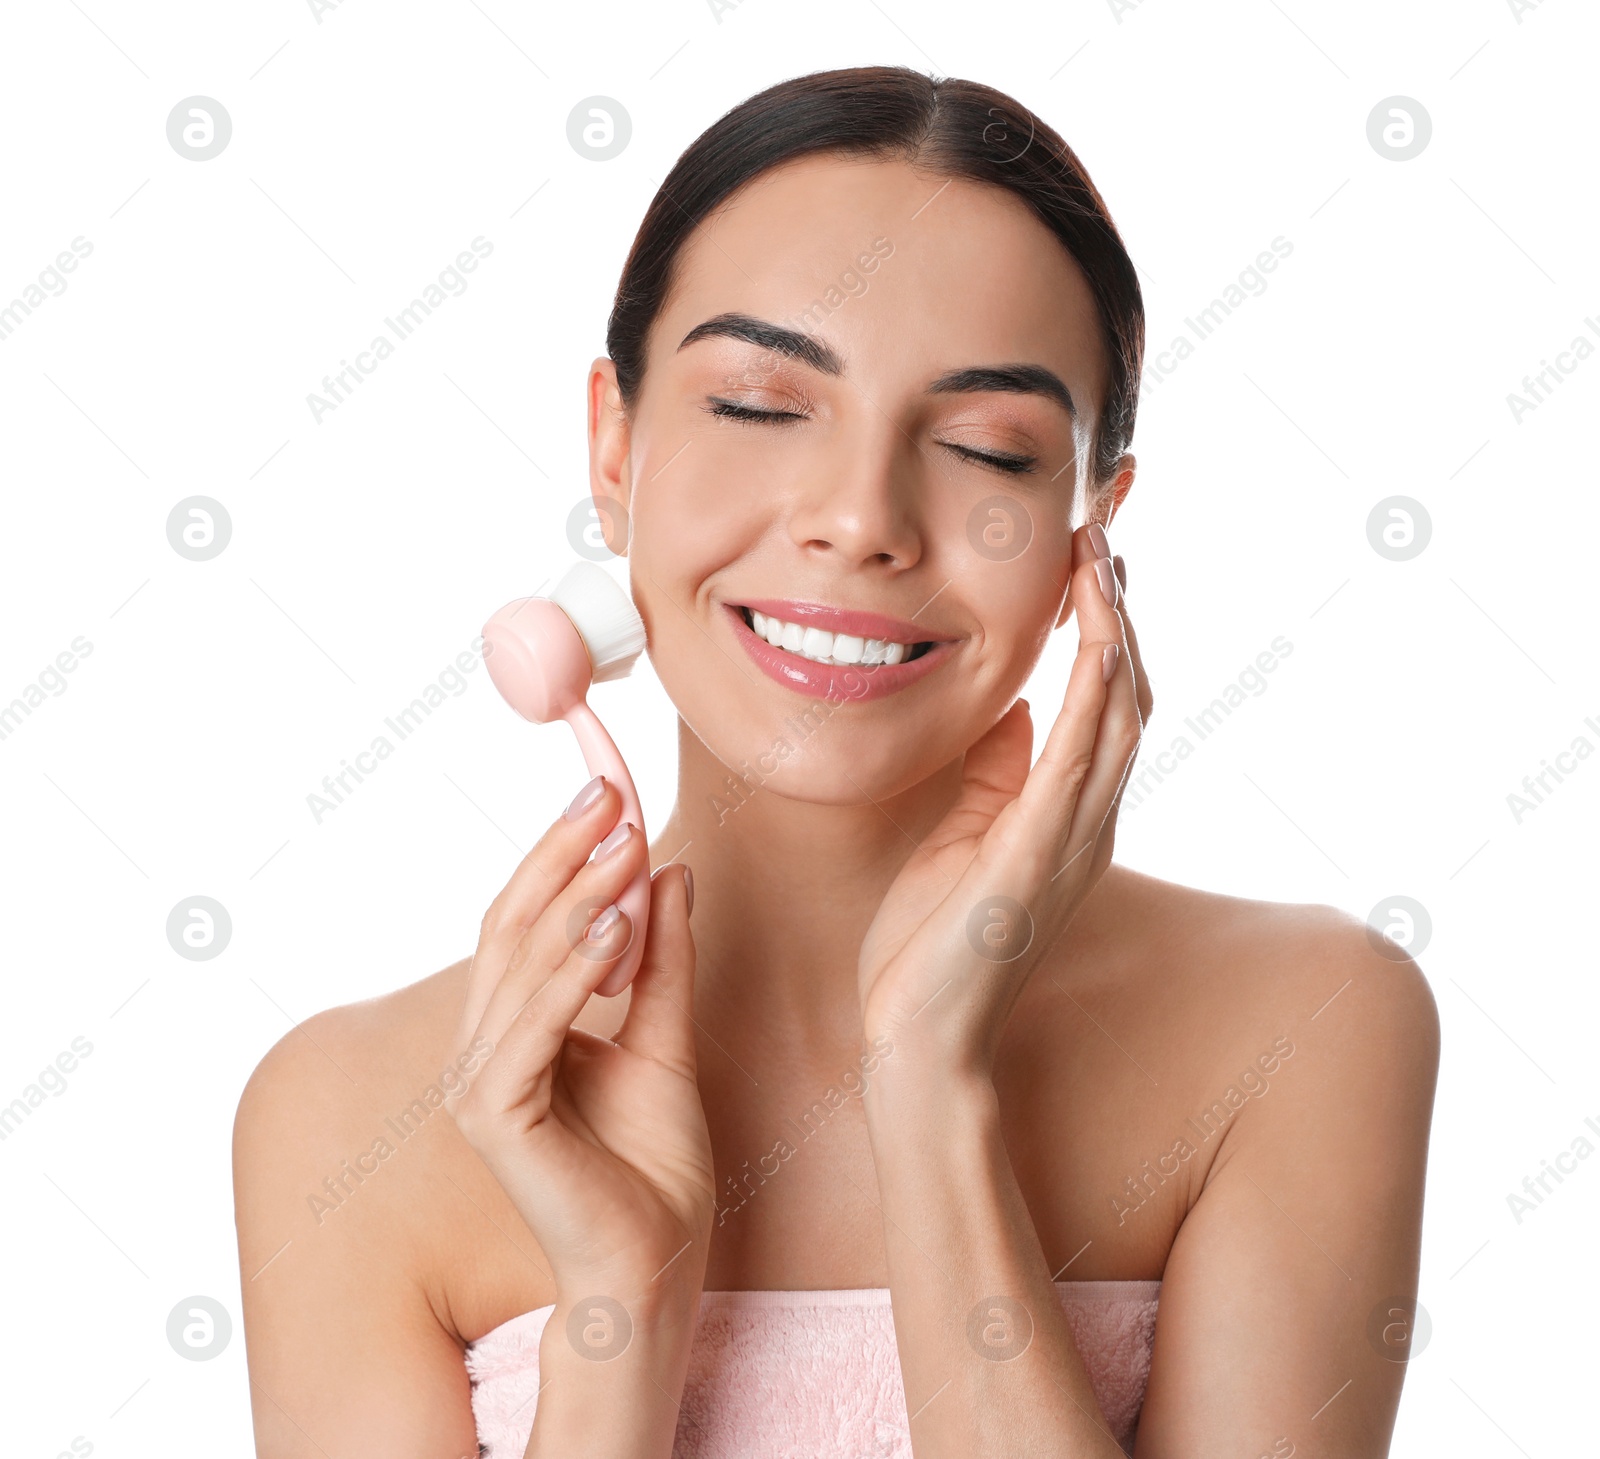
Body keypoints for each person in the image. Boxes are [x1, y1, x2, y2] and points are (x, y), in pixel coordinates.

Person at [233, 65, 1439, 1459]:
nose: (862, 519)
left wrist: (933, 1091)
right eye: (757, 406)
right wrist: (620, 1312)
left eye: (989, 447)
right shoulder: (341, 1121)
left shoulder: (1305, 1026)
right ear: (615, 449)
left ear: (1085, 536)